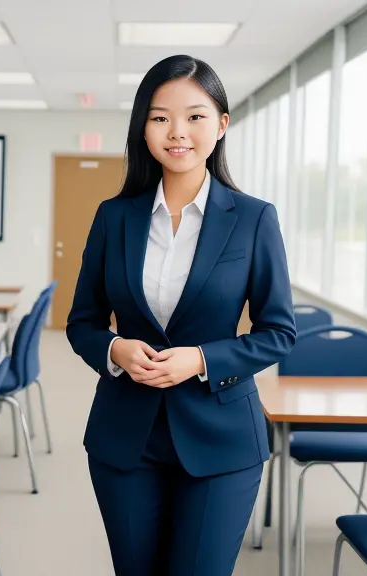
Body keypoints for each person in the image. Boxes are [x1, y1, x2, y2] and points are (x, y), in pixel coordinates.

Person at [66, 54, 296, 576]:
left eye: (194, 116)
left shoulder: (254, 219)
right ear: (143, 129)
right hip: (125, 437)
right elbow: (82, 322)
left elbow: (279, 332)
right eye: (160, 116)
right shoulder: (113, 217)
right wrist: (114, 349)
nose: (177, 131)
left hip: (222, 439)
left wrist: (199, 360)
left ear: (221, 125)